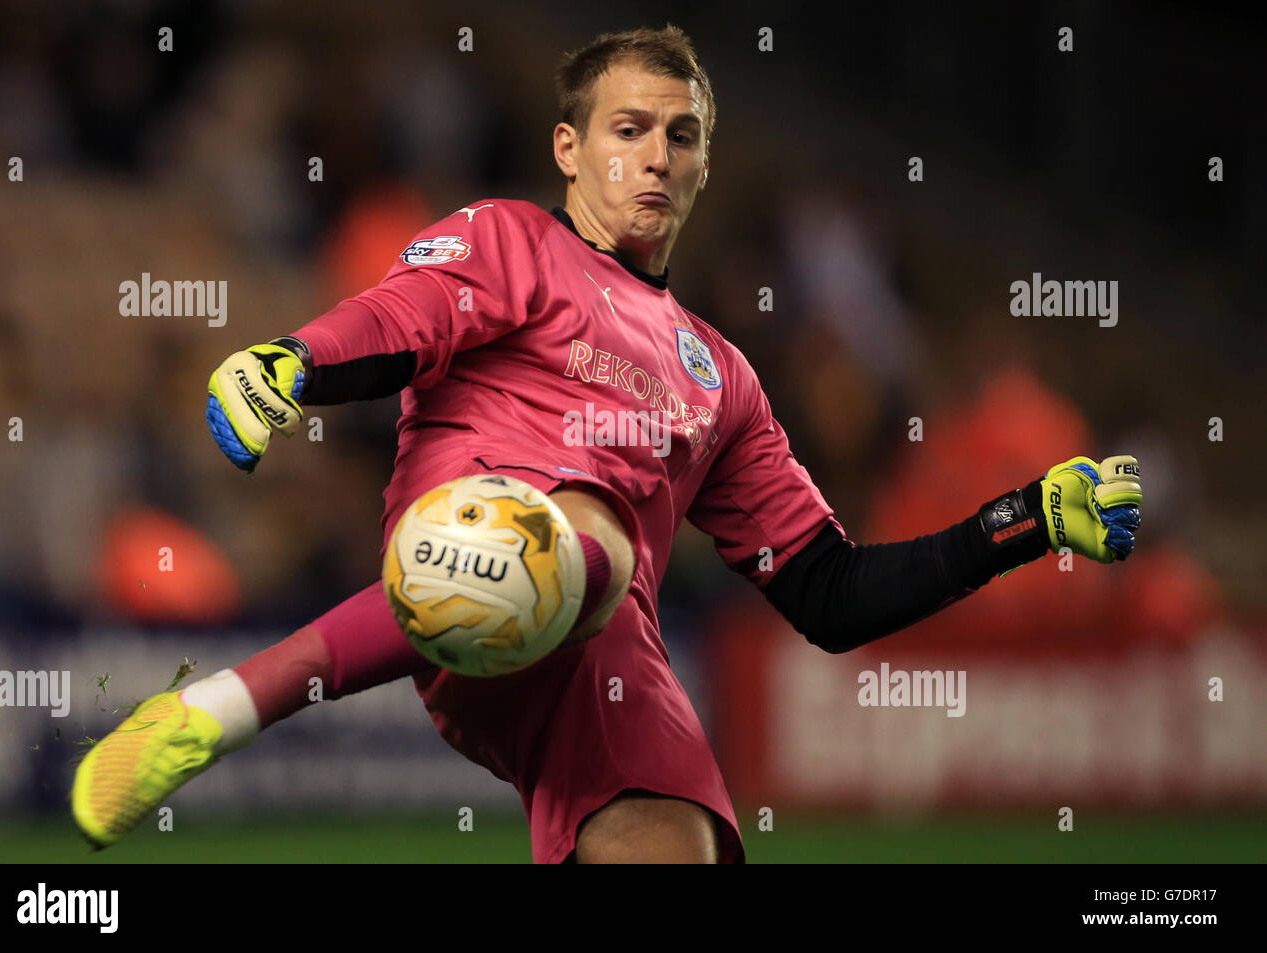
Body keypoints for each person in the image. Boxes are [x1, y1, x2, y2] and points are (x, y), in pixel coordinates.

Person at [72, 26, 1142, 863]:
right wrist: (290, 363)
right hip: (468, 550)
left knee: (675, 837)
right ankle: (212, 712)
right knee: (592, 535)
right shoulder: (510, 241)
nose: (656, 158)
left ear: (705, 163)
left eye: (680, 136)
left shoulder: (723, 378)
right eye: (628, 129)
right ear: (569, 149)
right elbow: (405, 320)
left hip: (607, 664)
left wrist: (1022, 520)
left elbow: (832, 592)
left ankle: (214, 707)